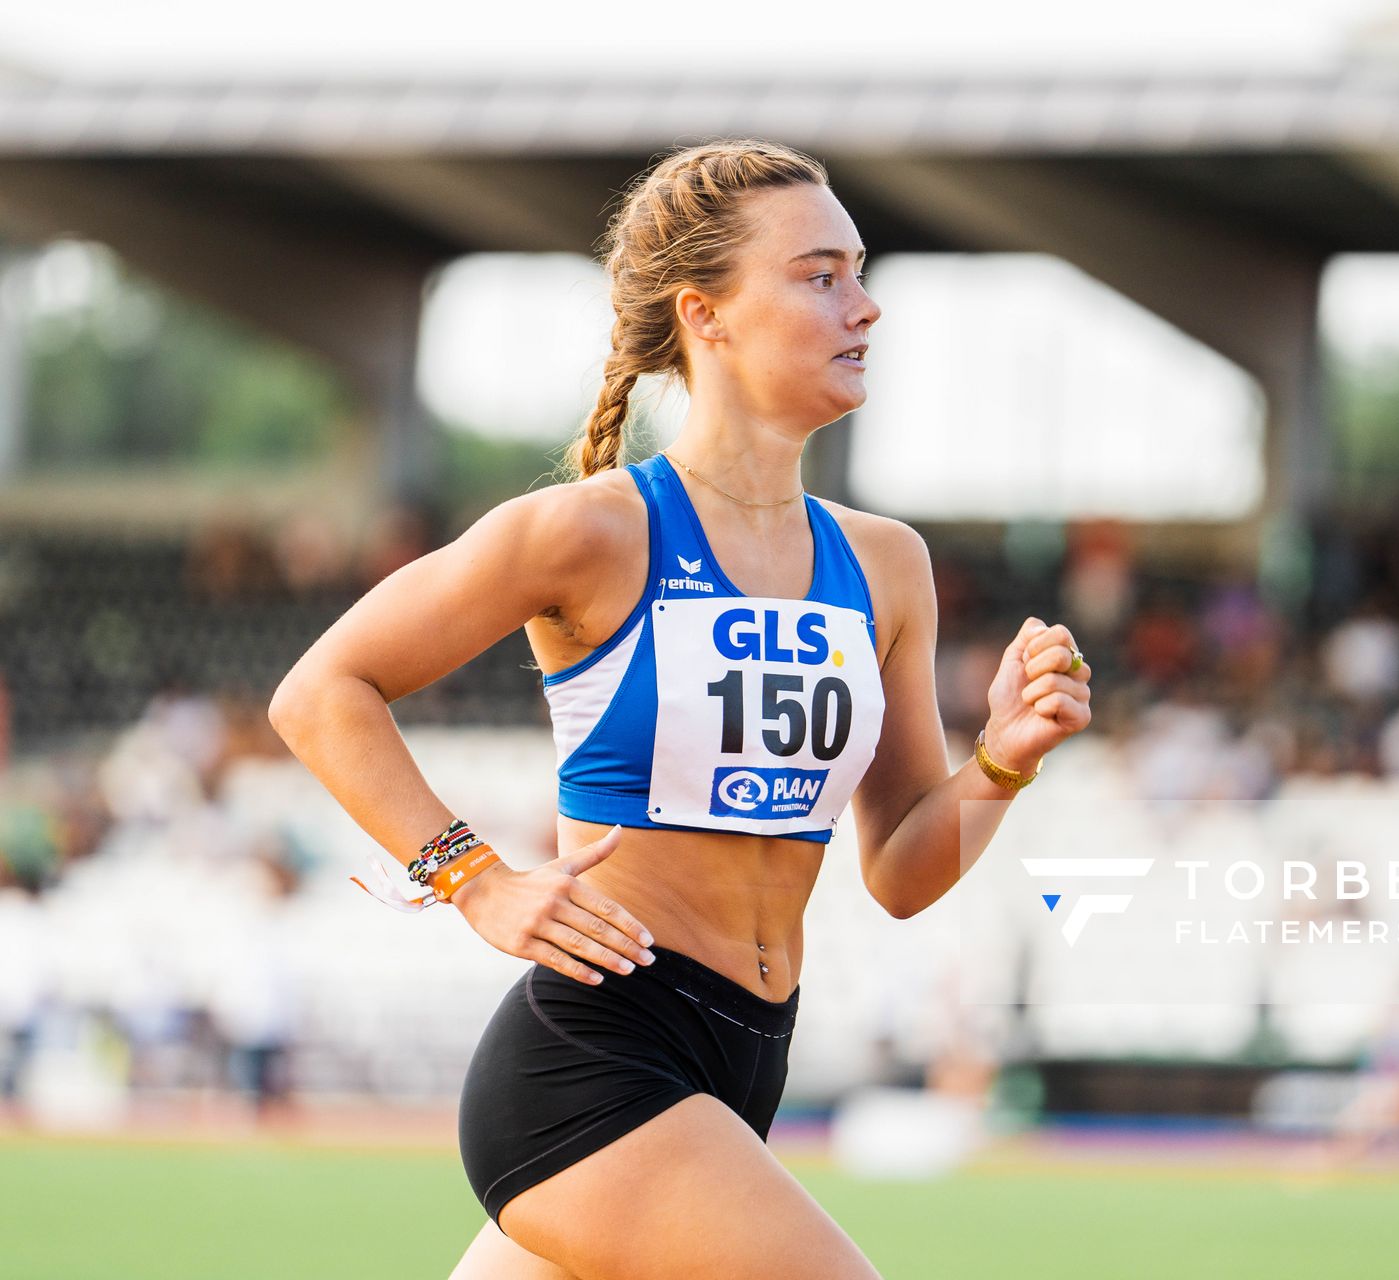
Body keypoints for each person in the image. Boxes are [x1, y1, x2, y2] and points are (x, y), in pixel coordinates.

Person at [268, 138, 1093, 1280]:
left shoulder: (885, 563)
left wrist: (1001, 760)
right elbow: (320, 692)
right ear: (704, 314)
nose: (867, 305)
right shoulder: (589, 531)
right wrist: (475, 879)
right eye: (820, 275)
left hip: (744, 1062)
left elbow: (902, 869)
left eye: (859, 269)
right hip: (598, 1058)